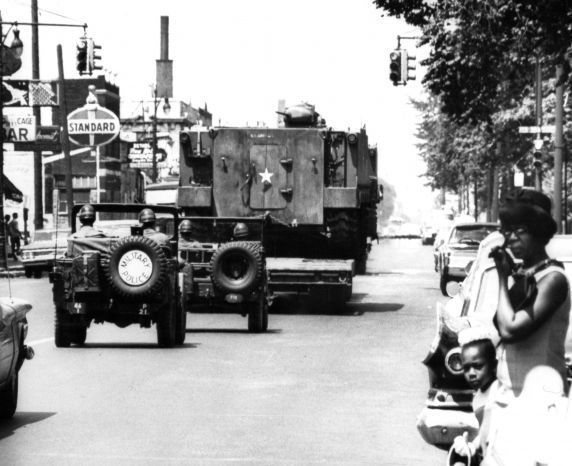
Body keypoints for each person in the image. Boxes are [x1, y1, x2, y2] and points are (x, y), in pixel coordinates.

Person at [490, 187, 570, 400]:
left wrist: (501, 278)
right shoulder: (525, 276)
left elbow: (510, 330)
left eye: (521, 230)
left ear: (538, 231)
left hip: (541, 401)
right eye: (507, 231)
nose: (512, 238)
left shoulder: (554, 279)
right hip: (509, 396)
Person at [450, 327, 499, 465]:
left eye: (478, 366)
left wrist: (474, 445)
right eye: (466, 368)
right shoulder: (479, 394)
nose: (471, 373)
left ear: (494, 365)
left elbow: (493, 428)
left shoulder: (496, 390)